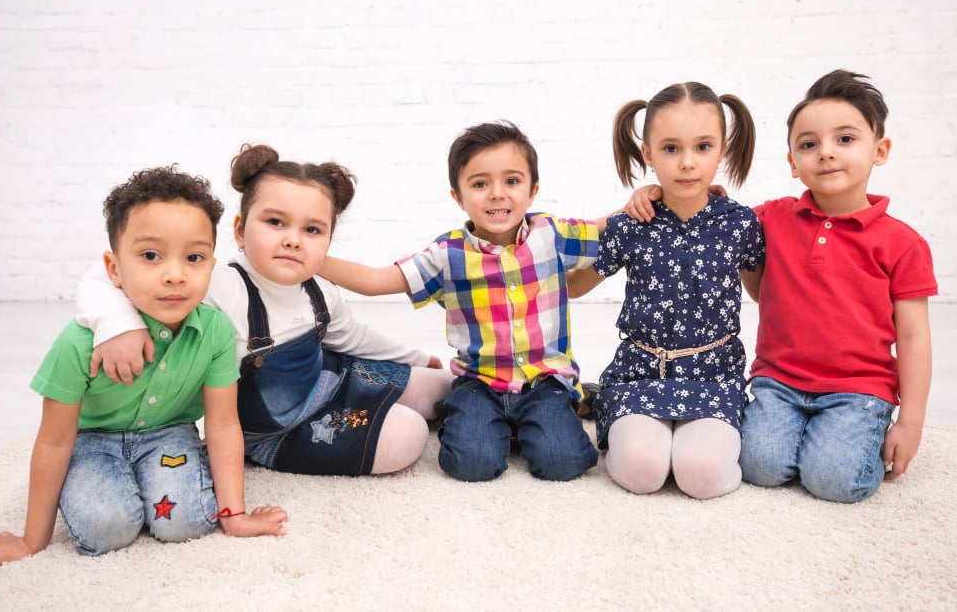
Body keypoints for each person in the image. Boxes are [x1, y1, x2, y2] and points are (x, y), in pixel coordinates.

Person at [625, 70, 937, 503]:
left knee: (834, 480)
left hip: (858, 388)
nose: (826, 153)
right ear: (792, 161)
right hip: (779, 383)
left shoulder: (902, 242)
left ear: (879, 150)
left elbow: (915, 335)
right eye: (809, 144)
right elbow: (705, 217)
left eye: (845, 139)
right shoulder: (771, 217)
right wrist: (655, 192)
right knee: (760, 467)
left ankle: (848, 432)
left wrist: (913, 419)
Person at [0, 167, 287, 568]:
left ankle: (163, 481)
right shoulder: (79, 341)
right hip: (91, 441)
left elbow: (222, 424)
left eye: (194, 257)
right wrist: (33, 539)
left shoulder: (216, 332)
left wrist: (235, 516)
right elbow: (53, 441)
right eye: (150, 256)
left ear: (211, 263)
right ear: (114, 268)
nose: (175, 275)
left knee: (185, 522)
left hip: (168, 436)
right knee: (108, 527)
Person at [76, 145, 453, 477]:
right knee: (410, 436)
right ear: (239, 230)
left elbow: (352, 337)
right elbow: (102, 274)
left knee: (441, 386)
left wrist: (417, 357)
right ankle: (277, 450)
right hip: (277, 429)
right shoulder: (221, 283)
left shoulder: (321, 289)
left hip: (329, 381)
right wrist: (119, 325)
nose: (292, 238)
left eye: (312, 230)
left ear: (327, 243)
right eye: (275, 222)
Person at [319, 121, 608, 482]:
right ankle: (478, 419)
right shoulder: (446, 254)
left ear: (532, 191)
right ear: (458, 196)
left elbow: (606, 229)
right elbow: (378, 280)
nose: (497, 194)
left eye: (512, 181)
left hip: (545, 381)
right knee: (471, 464)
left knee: (562, 463)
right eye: (480, 184)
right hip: (479, 382)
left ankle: (572, 407)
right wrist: (315, 258)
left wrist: (642, 203)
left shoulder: (550, 234)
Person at [567, 82, 763, 499]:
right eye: (671, 149)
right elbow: (573, 287)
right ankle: (612, 411)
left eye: (703, 147)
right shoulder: (633, 223)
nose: (688, 163)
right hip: (639, 374)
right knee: (642, 472)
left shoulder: (741, 224)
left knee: (702, 475)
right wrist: (616, 215)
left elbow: (765, 293)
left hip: (713, 376)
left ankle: (698, 447)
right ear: (648, 154)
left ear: (723, 149)